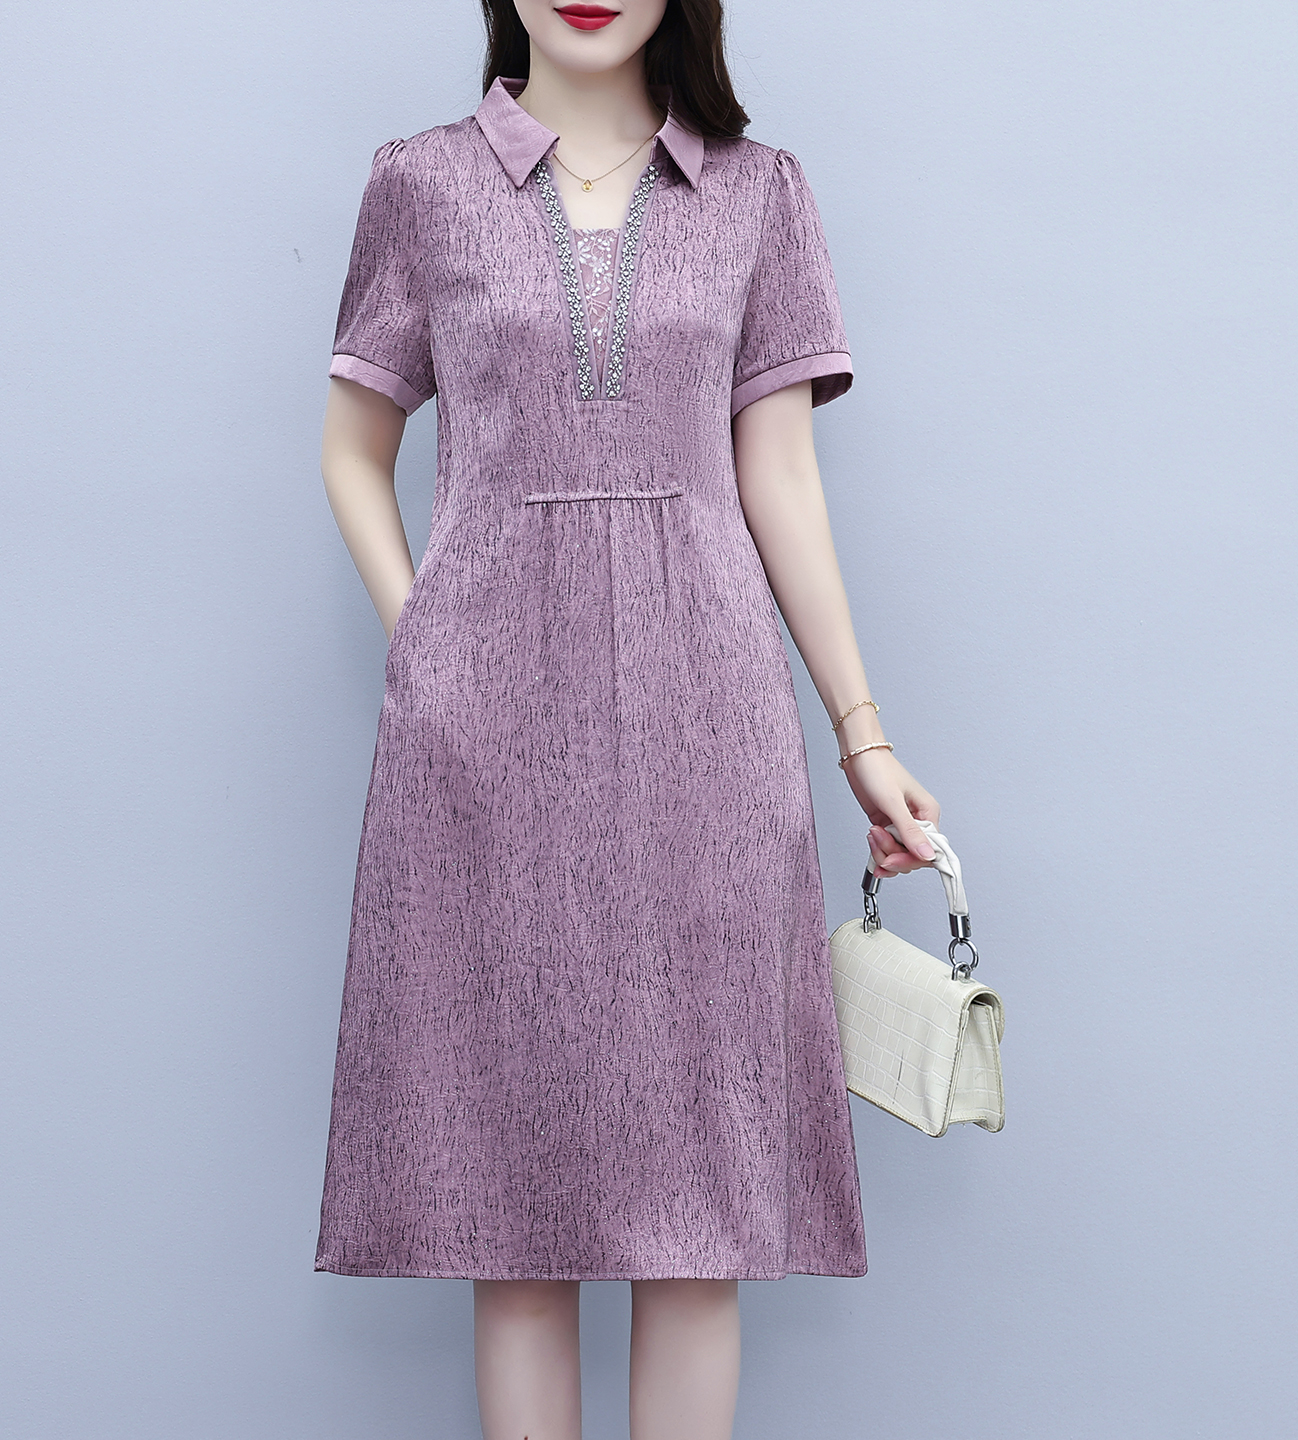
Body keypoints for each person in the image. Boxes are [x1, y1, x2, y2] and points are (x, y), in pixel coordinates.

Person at [315, 2, 941, 1436]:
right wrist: (432, 640)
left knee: (699, 1219)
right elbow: (353, 449)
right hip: (481, 743)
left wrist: (862, 734)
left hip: (709, 727)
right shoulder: (420, 182)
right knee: (513, 1212)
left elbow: (780, 478)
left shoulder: (760, 192)